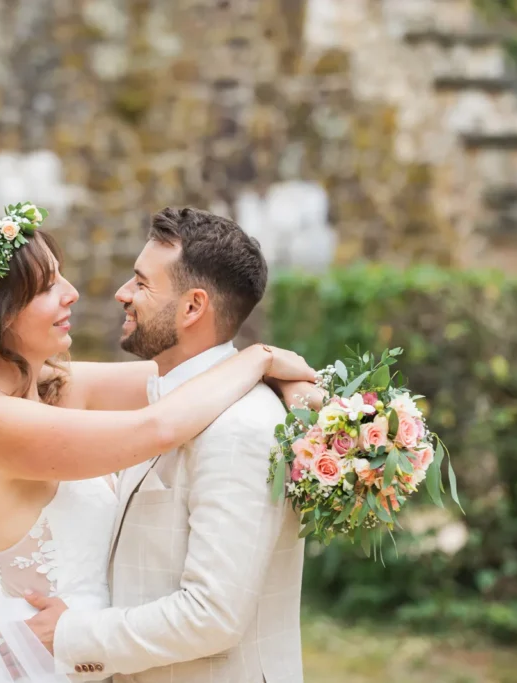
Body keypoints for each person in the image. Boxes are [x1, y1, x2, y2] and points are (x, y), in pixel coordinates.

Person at [0, 202, 318, 683]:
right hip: (42, 662)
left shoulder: (59, 387)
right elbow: (156, 426)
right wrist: (259, 359)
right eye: (47, 288)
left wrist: (299, 388)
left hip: (98, 658)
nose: (72, 294)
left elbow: (185, 376)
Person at [23, 207, 314, 682]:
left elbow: (212, 615)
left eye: (141, 283)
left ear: (193, 307)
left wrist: (72, 636)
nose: (123, 293)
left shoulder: (239, 428)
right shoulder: (172, 399)